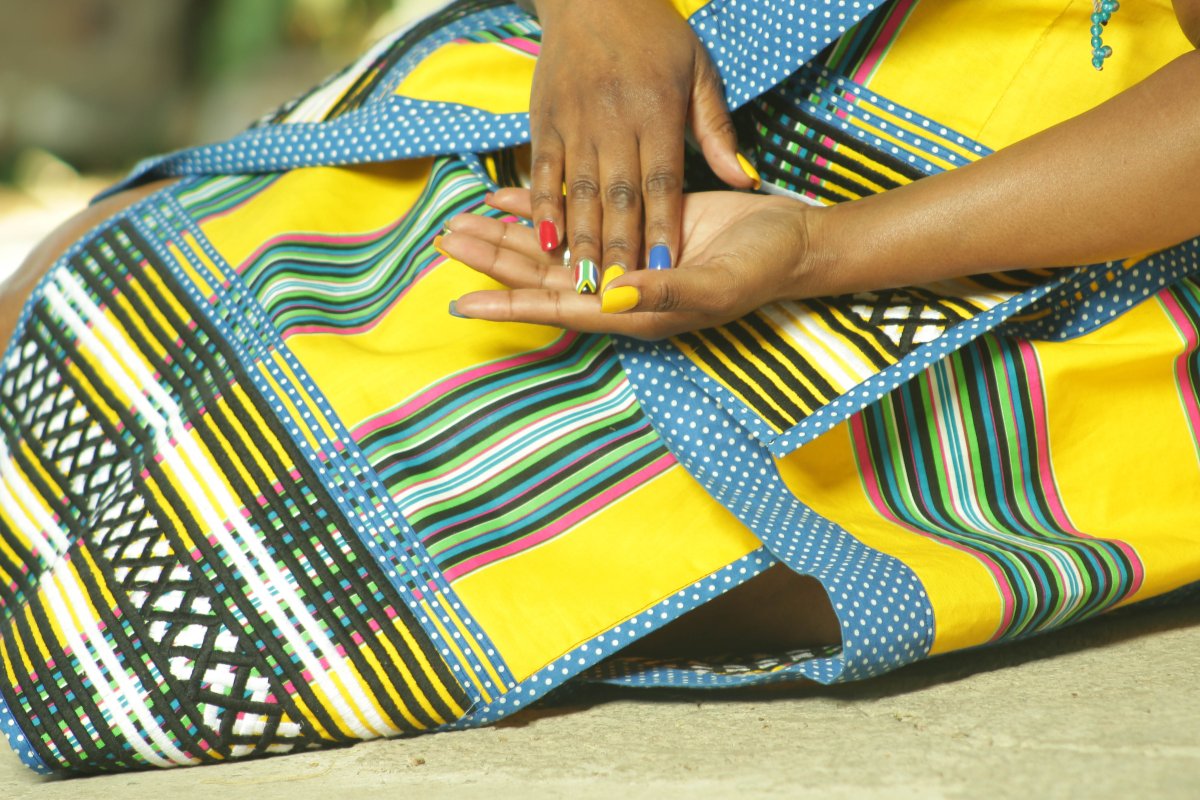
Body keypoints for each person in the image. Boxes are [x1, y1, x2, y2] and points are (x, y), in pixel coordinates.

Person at [1, 0, 1198, 774]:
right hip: (713, 37)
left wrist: (825, 250)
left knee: (350, 563)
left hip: (1055, 188)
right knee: (79, 299)